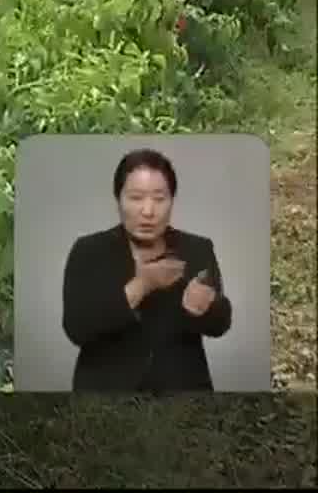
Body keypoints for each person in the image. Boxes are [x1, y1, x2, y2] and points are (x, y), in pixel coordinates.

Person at [61, 148, 231, 391]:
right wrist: (141, 286)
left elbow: (221, 323)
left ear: (172, 201)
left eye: (159, 199)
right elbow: (77, 328)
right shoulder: (89, 251)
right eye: (136, 198)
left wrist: (207, 306)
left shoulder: (196, 249)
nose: (148, 211)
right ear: (118, 199)